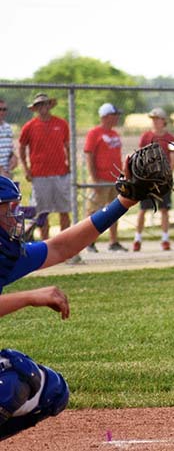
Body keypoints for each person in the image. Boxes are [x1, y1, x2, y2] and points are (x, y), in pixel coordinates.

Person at [0, 169, 142, 440]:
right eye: (7, 210)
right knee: (8, 382)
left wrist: (123, 202)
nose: (14, 217)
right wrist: (29, 297)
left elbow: (60, 248)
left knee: (50, 390)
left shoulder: (5, 254)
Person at [17, 94, 71, 240]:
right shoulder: (29, 126)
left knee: (64, 210)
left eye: (45, 104)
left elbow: (67, 146)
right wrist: (26, 169)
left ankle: (64, 242)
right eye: (39, 105)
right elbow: (21, 148)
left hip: (60, 173)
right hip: (40, 174)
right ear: (35, 108)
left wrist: (70, 165)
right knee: (42, 212)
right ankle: (46, 244)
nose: (42, 108)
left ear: (49, 105)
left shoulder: (61, 124)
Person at [83, 103, 126, 253]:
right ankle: (88, 242)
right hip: (100, 178)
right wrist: (94, 179)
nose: (117, 118)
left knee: (115, 210)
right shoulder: (95, 133)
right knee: (93, 211)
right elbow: (89, 155)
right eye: (115, 115)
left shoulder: (115, 134)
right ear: (106, 116)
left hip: (114, 178)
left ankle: (113, 241)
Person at [133, 108, 174, 252]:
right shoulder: (146, 136)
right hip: (147, 179)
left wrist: (167, 176)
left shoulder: (171, 138)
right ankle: (137, 238)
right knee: (143, 209)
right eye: (153, 119)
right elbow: (140, 156)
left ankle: (165, 238)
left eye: (157, 119)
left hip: (163, 179)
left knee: (164, 209)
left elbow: (173, 159)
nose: (155, 122)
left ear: (164, 121)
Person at [0, 99, 17, 179]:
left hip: (6, 174)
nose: (2, 112)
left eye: (4, 109)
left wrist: (13, 156)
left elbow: (8, 149)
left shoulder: (7, 127)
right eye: (0, 109)